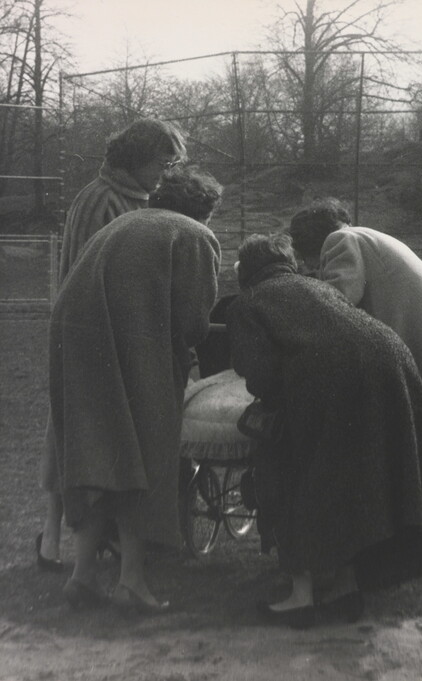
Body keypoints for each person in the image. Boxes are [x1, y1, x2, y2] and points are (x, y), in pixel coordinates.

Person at [226, 233, 422, 629]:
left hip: (334, 376)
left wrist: (266, 397)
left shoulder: (249, 303)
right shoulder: (317, 287)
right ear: (287, 263)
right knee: (359, 476)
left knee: (287, 469)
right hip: (389, 359)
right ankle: (345, 590)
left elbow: (260, 372)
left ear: (246, 272)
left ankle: (301, 598)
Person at [48, 165, 222, 613]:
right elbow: (195, 323)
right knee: (144, 456)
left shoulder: (126, 220)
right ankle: (132, 583)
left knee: (102, 454)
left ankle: (83, 576)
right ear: (205, 210)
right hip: (127, 348)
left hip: (74, 339)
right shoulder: (194, 235)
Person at [37, 118, 187, 571]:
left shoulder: (132, 198)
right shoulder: (100, 199)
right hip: (89, 334)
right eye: (160, 163)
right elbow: (85, 280)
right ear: (136, 158)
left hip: (114, 333)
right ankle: (51, 542)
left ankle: (92, 538)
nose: (164, 172)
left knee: (91, 438)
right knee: (73, 435)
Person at [288, 198, 422, 509]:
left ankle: (413, 517)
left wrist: (296, 292)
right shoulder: (367, 236)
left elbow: (336, 302)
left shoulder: (341, 240)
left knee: (418, 432)